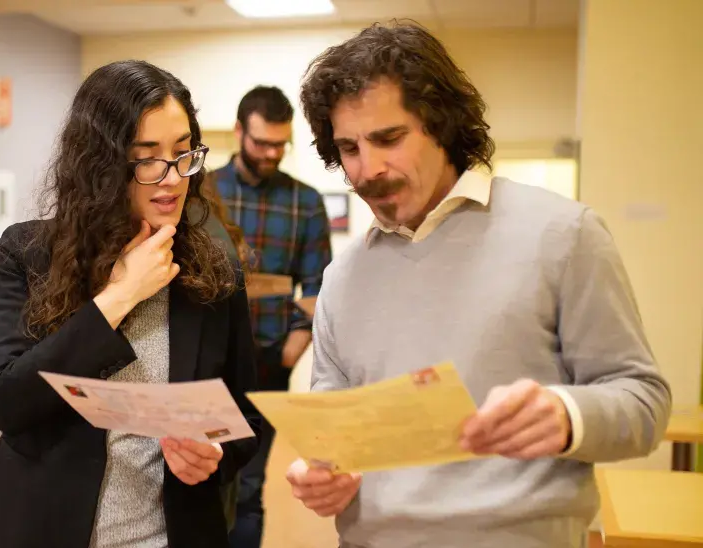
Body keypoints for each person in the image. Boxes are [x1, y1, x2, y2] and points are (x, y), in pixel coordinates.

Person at [287, 20, 671, 547]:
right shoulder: (342, 278)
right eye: (349, 148)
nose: (367, 169)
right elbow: (335, 433)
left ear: (440, 125)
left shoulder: (562, 234)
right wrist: (321, 471)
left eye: (388, 139)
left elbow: (643, 402)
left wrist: (566, 415)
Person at [0, 59, 262, 548]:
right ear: (100, 164)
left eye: (184, 154)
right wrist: (118, 298)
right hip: (43, 529)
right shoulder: (29, 254)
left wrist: (216, 452)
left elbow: (247, 416)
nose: (173, 178)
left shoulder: (212, 268)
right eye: (147, 158)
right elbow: (9, 404)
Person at [210, 85, 333, 548]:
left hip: (268, 362)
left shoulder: (306, 202)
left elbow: (319, 285)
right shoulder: (203, 191)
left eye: (280, 144)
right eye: (261, 143)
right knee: (199, 481)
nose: (271, 153)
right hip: (207, 364)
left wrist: (295, 345)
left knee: (248, 486)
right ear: (239, 132)